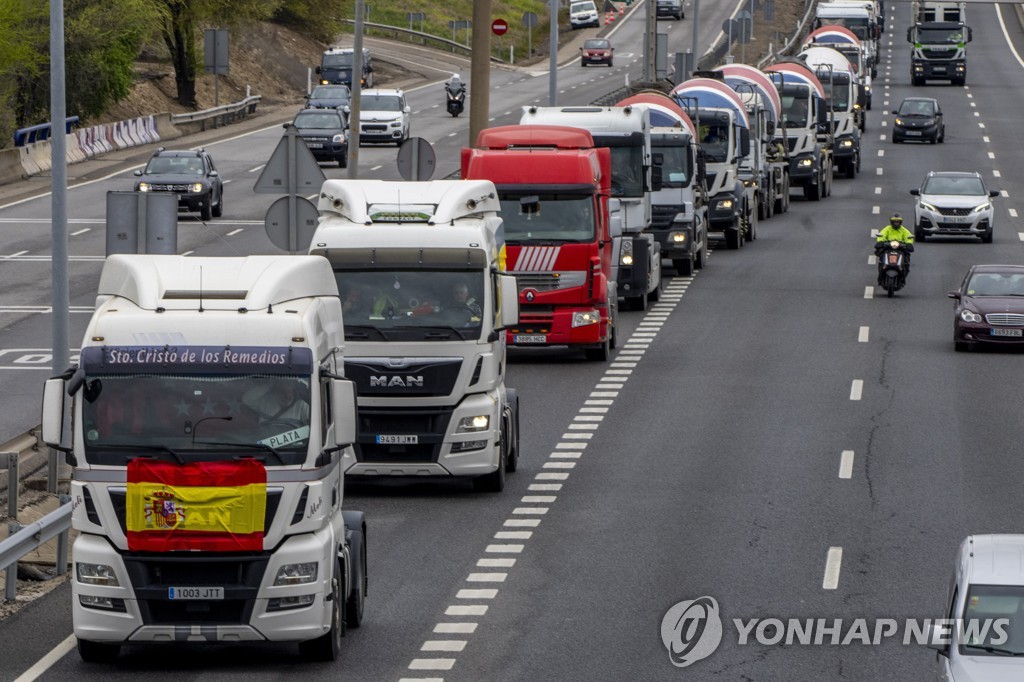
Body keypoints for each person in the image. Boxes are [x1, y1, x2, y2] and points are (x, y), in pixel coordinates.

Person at [243, 378, 310, 423]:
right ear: (275, 392)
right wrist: (268, 386)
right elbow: (246, 400)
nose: (287, 396)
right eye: (282, 392)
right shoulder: (265, 402)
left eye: (289, 392)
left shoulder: (301, 406)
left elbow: (312, 425)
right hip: (265, 442)